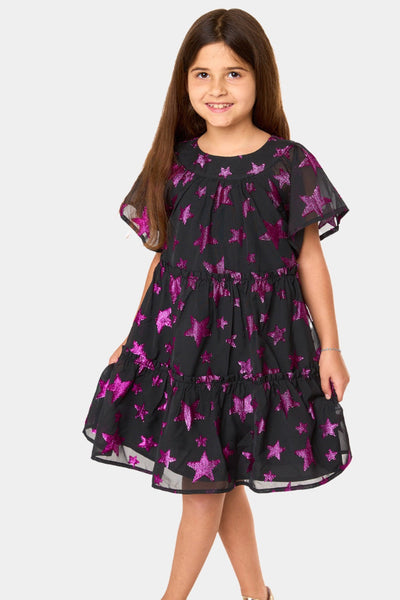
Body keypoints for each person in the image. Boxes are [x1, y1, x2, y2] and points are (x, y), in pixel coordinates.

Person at [82, 8, 352, 600]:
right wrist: (134, 337)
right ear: (185, 81)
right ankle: (259, 596)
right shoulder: (177, 163)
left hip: (259, 350)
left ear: (260, 79)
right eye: (202, 74)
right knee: (213, 481)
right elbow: (165, 263)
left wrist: (331, 348)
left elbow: (310, 260)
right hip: (188, 351)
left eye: (233, 73)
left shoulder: (289, 163)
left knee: (205, 486)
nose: (217, 89)